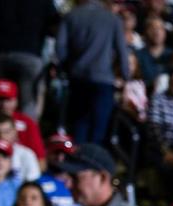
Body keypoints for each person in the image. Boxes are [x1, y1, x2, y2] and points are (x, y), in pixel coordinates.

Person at [56, 0, 130, 145]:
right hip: (104, 80)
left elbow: (60, 47)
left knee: (79, 123)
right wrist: (126, 77)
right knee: (99, 126)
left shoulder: (71, 16)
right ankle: (93, 161)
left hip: (78, 77)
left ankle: (77, 160)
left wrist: (66, 68)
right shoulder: (112, 19)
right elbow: (122, 51)